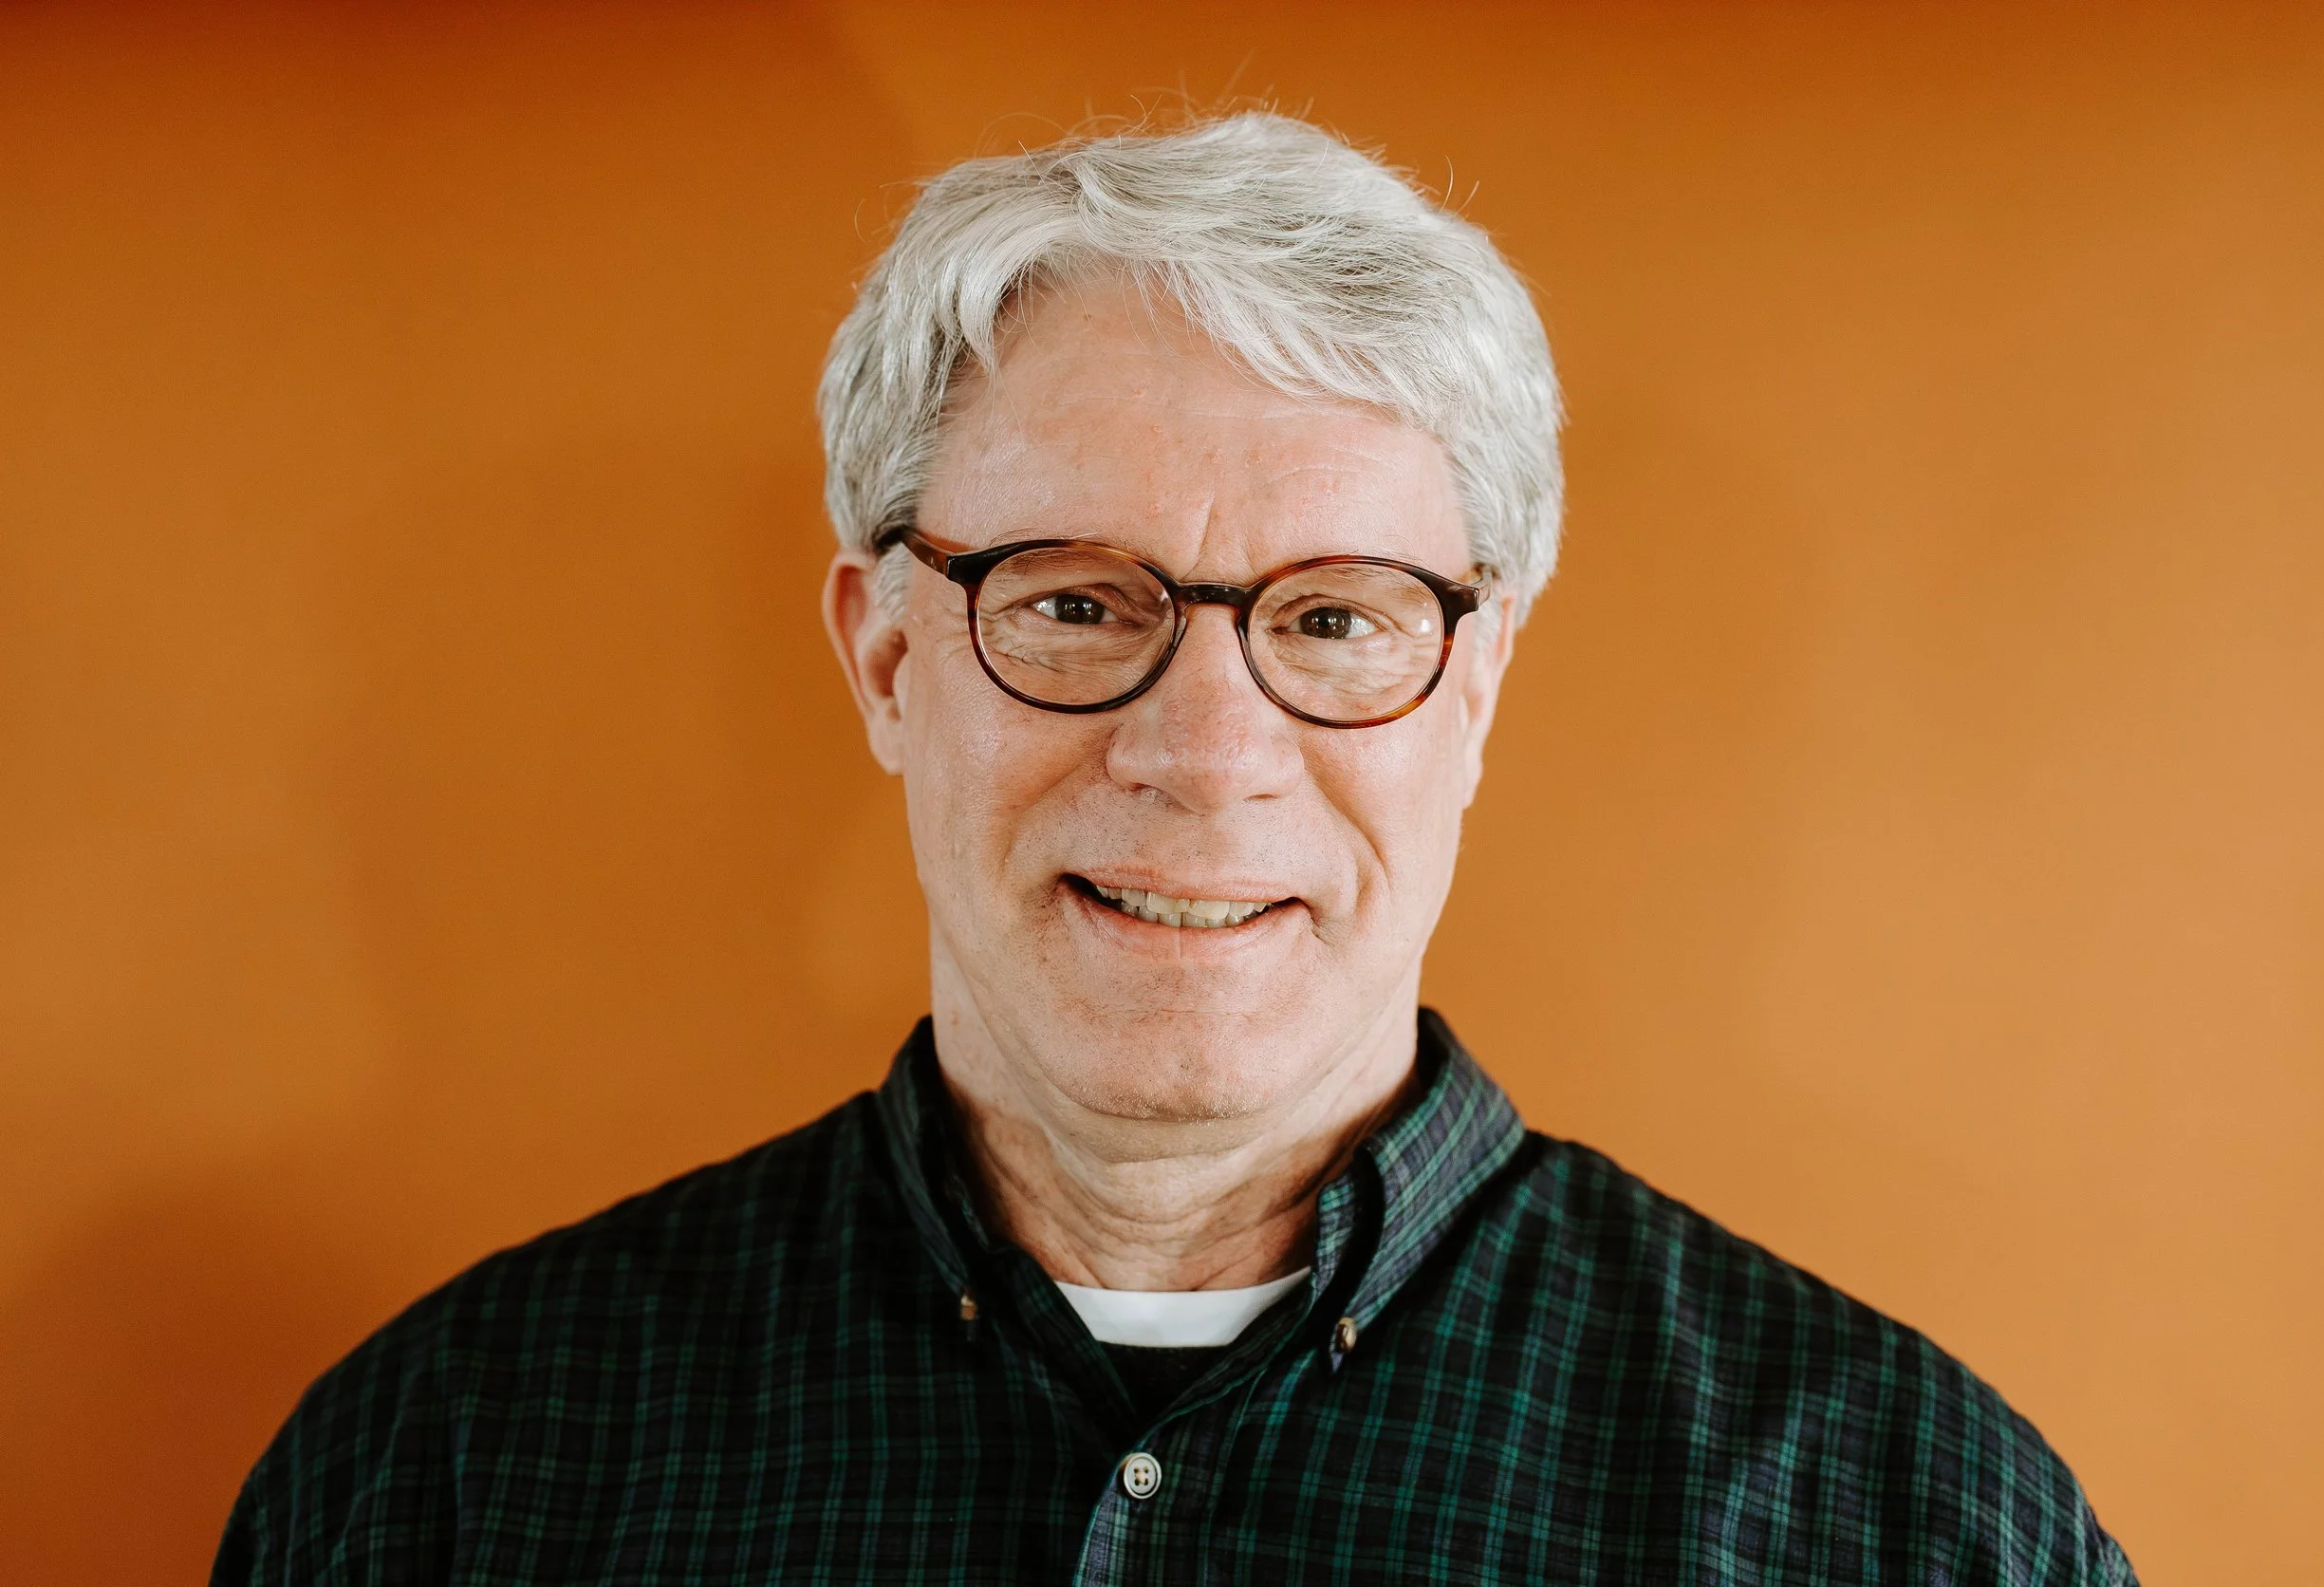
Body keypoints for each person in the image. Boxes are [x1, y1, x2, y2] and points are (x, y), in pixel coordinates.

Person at [213, 112, 2135, 1585]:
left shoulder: (1906, 1521)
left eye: (1330, 620)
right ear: (887, 660)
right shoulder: (448, 1472)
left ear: (1471, 690)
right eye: (1068, 604)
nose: (1205, 754)